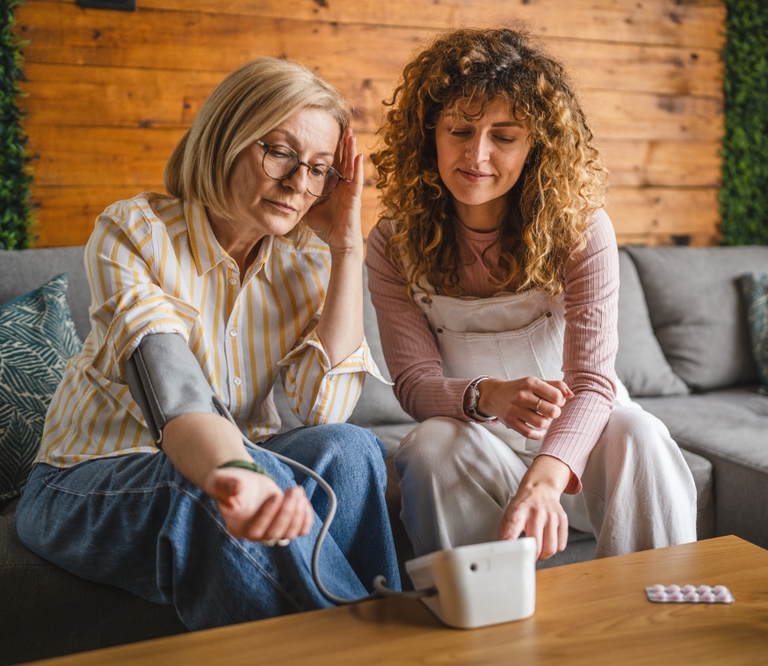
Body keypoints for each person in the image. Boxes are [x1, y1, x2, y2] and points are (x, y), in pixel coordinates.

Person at [15, 57, 400, 630]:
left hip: (241, 458)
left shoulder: (304, 264)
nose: (299, 183)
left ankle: (374, 631)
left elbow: (323, 410)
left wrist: (346, 250)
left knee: (351, 450)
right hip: (83, 481)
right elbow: (175, 394)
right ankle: (374, 642)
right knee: (201, 488)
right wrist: (237, 475)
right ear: (227, 137)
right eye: (280, 152)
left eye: (320, 169)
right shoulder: (134, 231)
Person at [367, 28, 698, 561]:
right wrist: (487, 395)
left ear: (534, 146)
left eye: (504, 135)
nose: (477, 154)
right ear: (429, 134)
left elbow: (593, 384)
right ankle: (482, 613)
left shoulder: (581, 230)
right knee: (429, 443)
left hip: (582, 444)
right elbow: (414, 383)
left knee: (641, 431)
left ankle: (656, 610)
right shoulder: (393, 242)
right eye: (459, 129)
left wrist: (547, 475)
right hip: (478, 448)